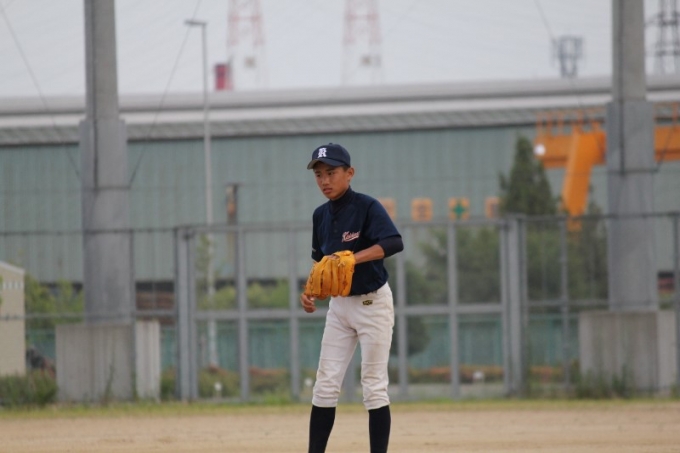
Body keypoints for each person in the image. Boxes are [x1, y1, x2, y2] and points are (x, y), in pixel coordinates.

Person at [300, 143, 404, 453]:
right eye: (319, 174)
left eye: (331, 173)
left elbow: (394, 242)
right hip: (340, 306)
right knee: (325, 385)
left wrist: (353, 258)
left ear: (350, 173)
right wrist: (309, 291)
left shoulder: (367, 207)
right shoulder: (320, 215)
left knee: (373, 386)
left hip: (373, 303)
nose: (324, 180)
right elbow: (322, 264)